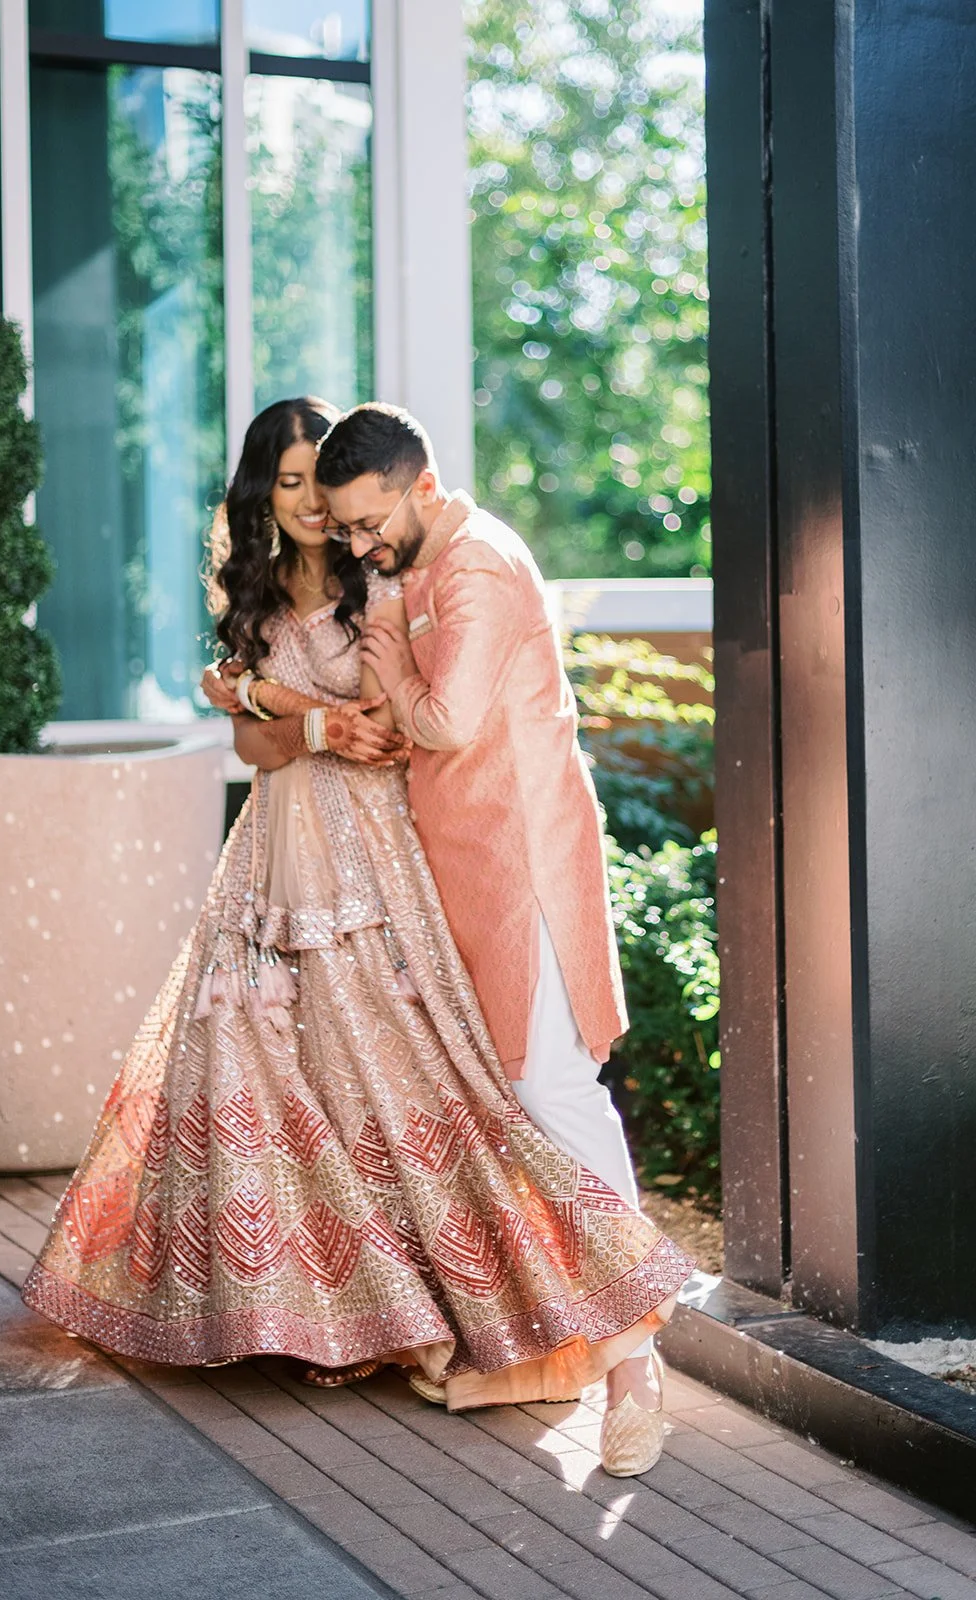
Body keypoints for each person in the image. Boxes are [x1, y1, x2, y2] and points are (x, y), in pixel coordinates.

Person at [22, 396, 692, 1459]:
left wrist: (298, 706)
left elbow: (408, 722)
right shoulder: (269, 585)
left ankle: (599, 1322)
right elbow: (251, 742)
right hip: (284, 848)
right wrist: (277, 706)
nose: (316, 516)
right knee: (292, 1073)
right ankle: (360, 1312)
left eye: (323, 495)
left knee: (451, 1078)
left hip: (399, 848)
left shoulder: (391, 574)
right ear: (263, 493)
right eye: (289, 489)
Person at [316, 402, 673, 1473]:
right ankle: (563, 1346)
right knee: (513, 1106)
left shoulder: (472, 568)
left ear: (424, 485)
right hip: (467, 879)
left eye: (372, 520)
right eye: (344, 527)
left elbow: (449, 721)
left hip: (524, 876)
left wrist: (383, 643)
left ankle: (636, 1366)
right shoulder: (418, 567)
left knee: (556, 1095)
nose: (360, 544)